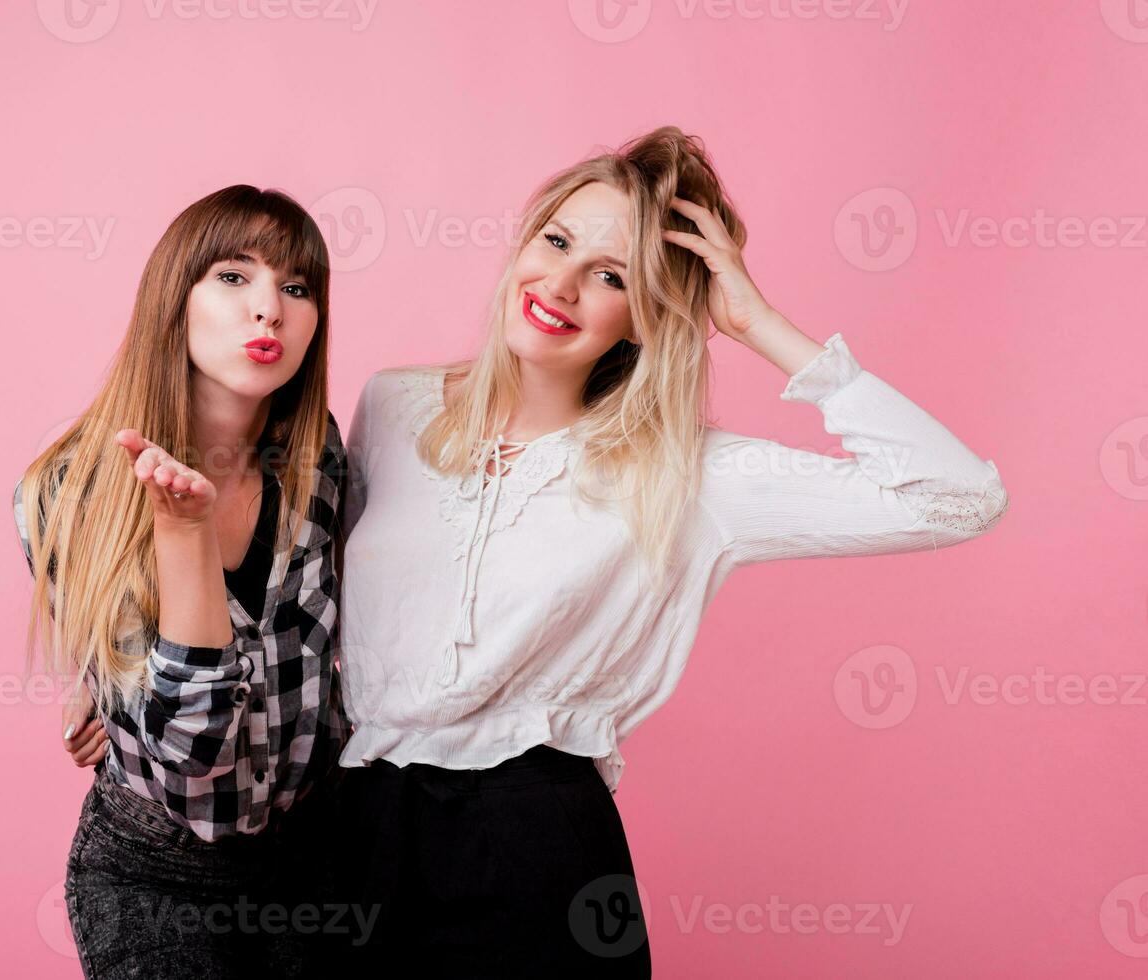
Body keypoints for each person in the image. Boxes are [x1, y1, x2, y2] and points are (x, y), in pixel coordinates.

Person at [326, 125, 1010, 975]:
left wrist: (757, 323)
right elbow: (298, 597)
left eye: (611, 276)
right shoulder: (393, 404)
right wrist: (108, 667)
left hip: (539, 849)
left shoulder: (684, 471)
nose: (563, 285)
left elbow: (961, 498)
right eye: (558, 241)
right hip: (356, 828)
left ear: (647, 319)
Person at [13, 184, 349, 978]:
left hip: (317, 857)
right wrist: (185, 533)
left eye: (296, 288)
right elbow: (190, 748)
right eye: (234, 277)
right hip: (154, 876)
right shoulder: (70, 492)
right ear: (176, 297)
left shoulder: (319, 457)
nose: (268, 309)